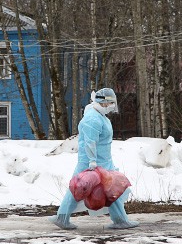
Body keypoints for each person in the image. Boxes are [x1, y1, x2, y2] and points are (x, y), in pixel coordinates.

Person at [51, 88, 139, 230]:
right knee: (86, 188)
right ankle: (120, 220)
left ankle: (119, 219)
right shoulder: (93, 118)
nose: (111, 107)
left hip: (102, 160)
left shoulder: (98, 115)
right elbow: (90, 142)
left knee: (108, 188)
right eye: (110, 103)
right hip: (92, 162)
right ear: (102, 103)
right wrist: (92, 161)